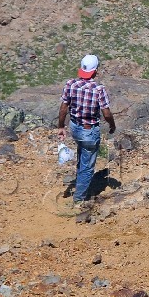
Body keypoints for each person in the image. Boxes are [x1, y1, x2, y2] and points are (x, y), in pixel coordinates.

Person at [56, 54, 116, 205]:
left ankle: (79, 184)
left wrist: (61, 126)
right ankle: (79, 199)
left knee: (82, 155)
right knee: (88, 166)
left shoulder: (70, 84)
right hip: (89, 131)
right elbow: (106, 112)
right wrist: (112, 124)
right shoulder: (98, 89)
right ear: (95, 71)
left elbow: (63, 108)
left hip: (74, 127)